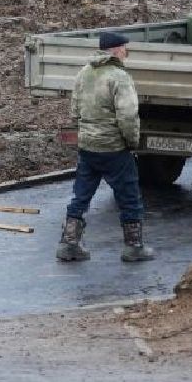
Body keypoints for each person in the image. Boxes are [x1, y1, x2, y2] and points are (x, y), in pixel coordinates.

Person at [57, 31, 155, 263]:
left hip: (88, 147)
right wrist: (131, 143)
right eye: (124, 48)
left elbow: (74, 110)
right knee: (129, 195)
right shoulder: (119, 77)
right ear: (116, 50)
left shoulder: (84, 73)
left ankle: (69, 243)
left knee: (81, 195)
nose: (126, 52)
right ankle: (134, 247)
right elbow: (128, 116)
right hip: (113, 148)